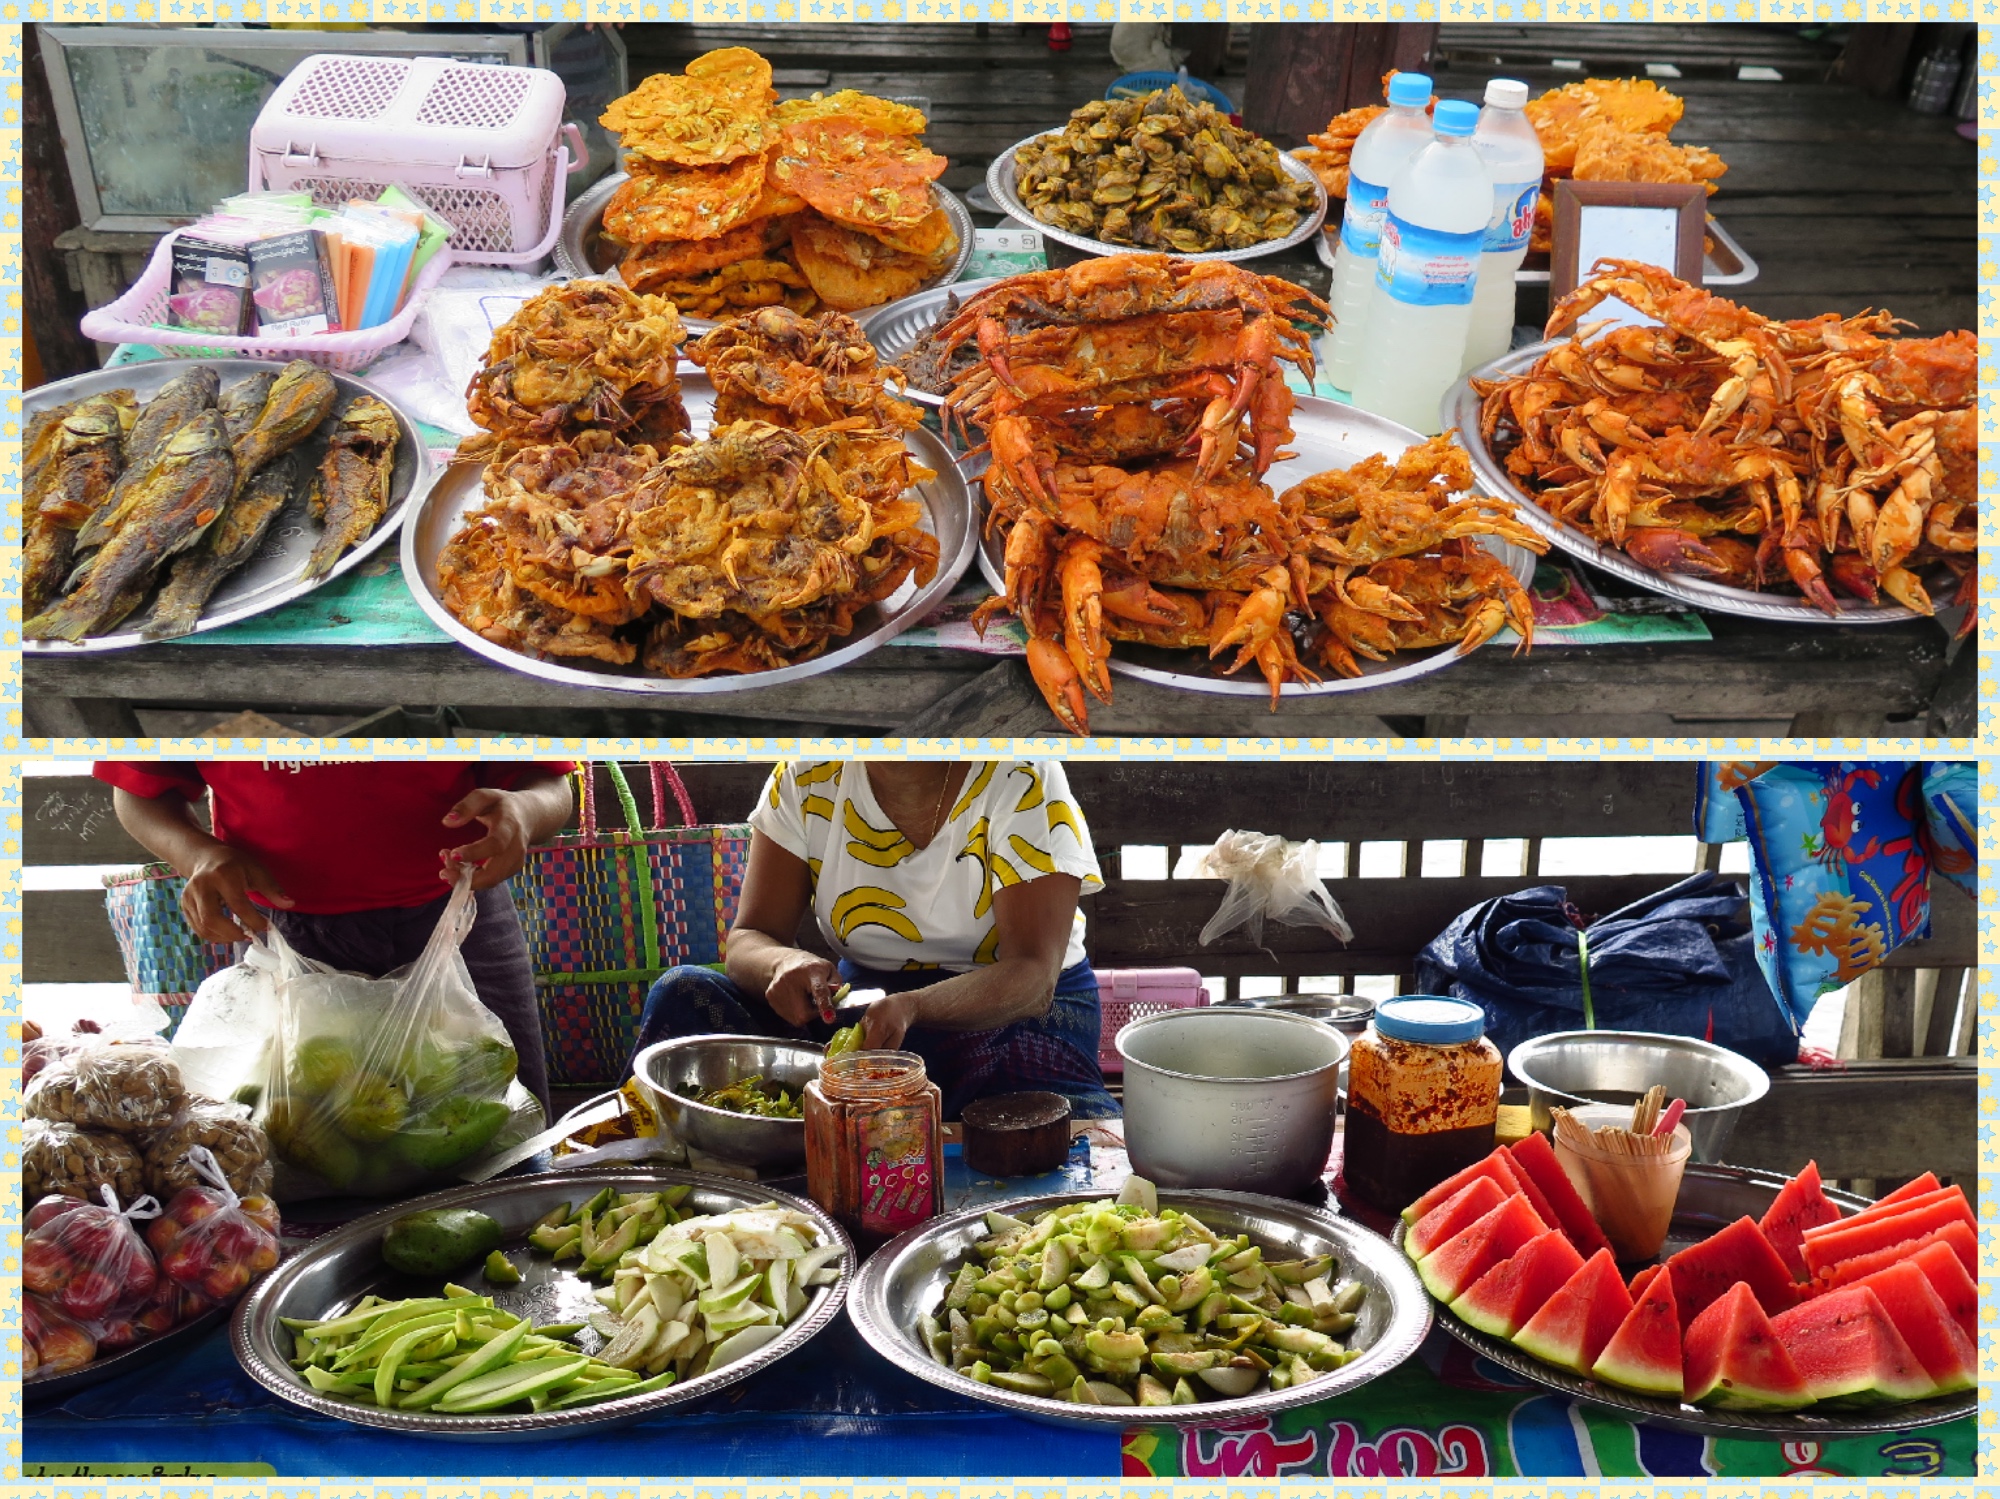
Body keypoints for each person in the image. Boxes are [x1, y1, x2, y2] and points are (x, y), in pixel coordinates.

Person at [633, 760, 1118, 1119]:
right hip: (867, 1017)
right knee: (683, 992)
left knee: (1037, 1130)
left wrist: (915, 1007)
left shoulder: (1021, 775)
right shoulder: (806, 777)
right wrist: (781, 964)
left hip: (1013, 1017)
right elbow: (749, 938)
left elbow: (1032, 976)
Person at [95, 760, 574, 1116]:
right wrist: (196, 853)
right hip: (286, 940)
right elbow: (140, 793)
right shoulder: (203, 683)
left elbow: (549, 783)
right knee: (307, 1133)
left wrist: (524, 811)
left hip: (459, 921)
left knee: (508, 1120)